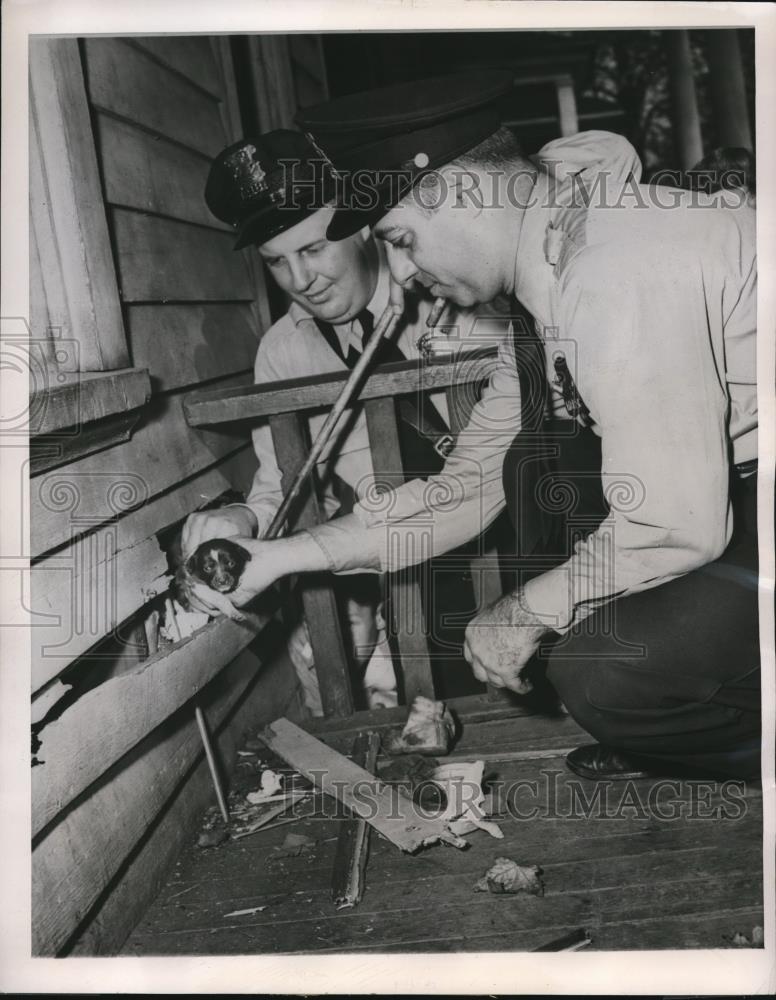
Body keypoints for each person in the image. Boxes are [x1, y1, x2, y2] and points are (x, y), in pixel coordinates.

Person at [190, 73, 759, 782]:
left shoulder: (611, 266)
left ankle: (696, 721)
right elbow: (466, 489)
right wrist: (281, 556)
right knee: (557, 530)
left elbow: (677, 522)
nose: (403, 271)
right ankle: (668, 712)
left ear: (456, 194)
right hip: (736, 490)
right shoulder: (556, 261)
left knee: (605, 673)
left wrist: (524, 610)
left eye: (401, 239)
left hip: (734, 499)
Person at [182, 129, 507, 711]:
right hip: (398, 565)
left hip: (509, 537)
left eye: (311, 250)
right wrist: (240, 519)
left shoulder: (454, 284)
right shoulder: (286, 350)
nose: (300, 282)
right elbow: (285, 487)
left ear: (359, 223)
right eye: (276, 263)